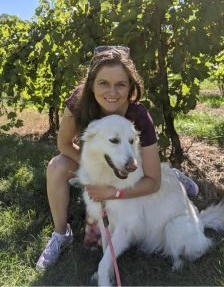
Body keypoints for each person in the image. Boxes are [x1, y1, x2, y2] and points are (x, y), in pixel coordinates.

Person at [36, 45, 198, 270]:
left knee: (149, 181)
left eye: (120, 84)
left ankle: (171, 174)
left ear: (130, 87)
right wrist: (93, 170)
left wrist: (114, 192)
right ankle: (61, 234)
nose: (112, 92)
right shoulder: (78, 101)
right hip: (99, 160)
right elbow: (63, 144)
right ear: (91, 85)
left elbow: (152, 181)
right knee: (57, 166)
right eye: (103, 83)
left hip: (133, 165)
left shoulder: (139, 116)